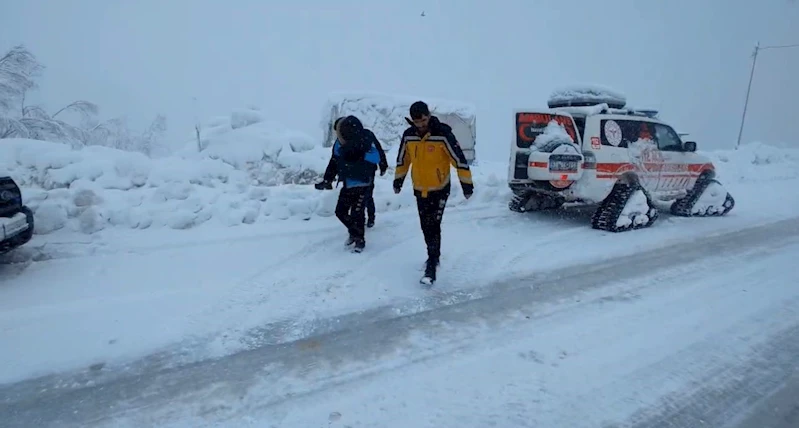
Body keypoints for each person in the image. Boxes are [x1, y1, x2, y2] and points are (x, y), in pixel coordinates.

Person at [393, 101, 473, 284]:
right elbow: (403, 160)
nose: (420, 125)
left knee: (433, 224)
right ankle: (433, 254)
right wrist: (398, 180)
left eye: (423, 120)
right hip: (419, 188)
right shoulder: (409, 136)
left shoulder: (443, 134)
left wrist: (466, 185)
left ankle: (432, 263)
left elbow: (458, 159)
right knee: (424, 224)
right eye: (416, 122)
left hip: (439, 188)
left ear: (428, 116)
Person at [315, 115, 382, 252]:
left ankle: (360, 240)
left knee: (358, 213)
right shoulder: (339, 146)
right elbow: (334, 162)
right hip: (348, 184)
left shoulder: (364, 141)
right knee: (341, 211)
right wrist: (327, 180)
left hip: (364, 183)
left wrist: (363, 156)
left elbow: (376, 156)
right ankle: (354, 233)